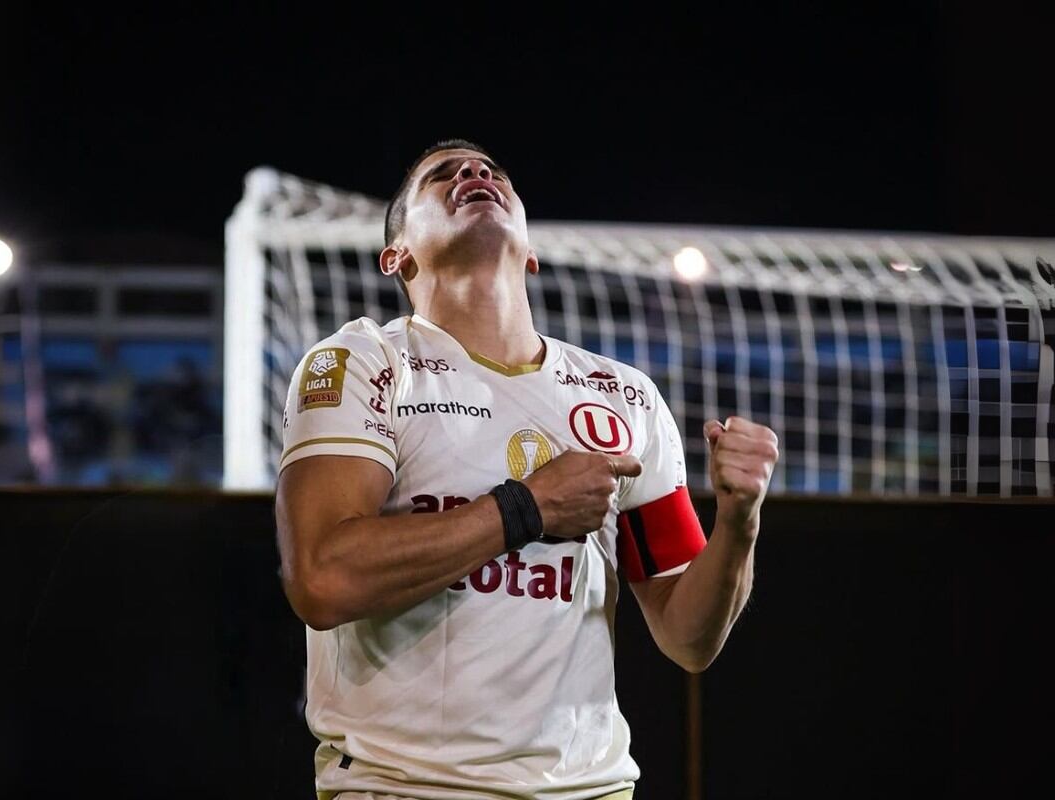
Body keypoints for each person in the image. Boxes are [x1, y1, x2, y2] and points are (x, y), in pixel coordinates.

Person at [275, 139, 779, 800]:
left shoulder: (623, 397)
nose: (474, 173)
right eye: (441, 175)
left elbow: (688, 636)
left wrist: (739, 519)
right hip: (407, 788)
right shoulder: (363, 363)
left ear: (530, 252)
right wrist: (527, 509)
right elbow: (322, 579)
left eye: (489, 171)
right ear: (396, 254)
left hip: (590, 789)